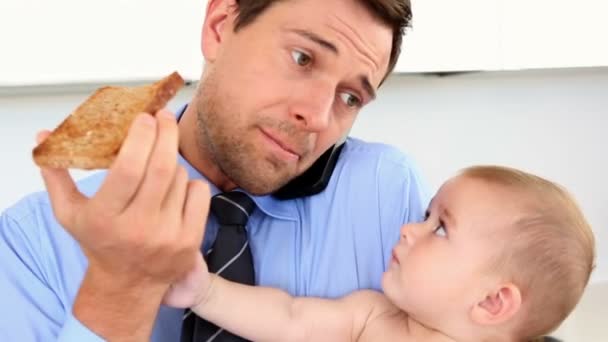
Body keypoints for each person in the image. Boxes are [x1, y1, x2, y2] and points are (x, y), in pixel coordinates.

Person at [0, 0, 429, 341]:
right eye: (302, 58)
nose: (317, 117)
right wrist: (119, 289)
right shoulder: (30, 243)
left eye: (350, 98)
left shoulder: (384, 194)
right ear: (219, 26)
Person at [164, 165, 596, 342]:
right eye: (427, 215)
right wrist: (205, 293)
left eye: (441, 228)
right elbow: (288, 317)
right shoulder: (375, 318)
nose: (410, 228)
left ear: (492, 301)